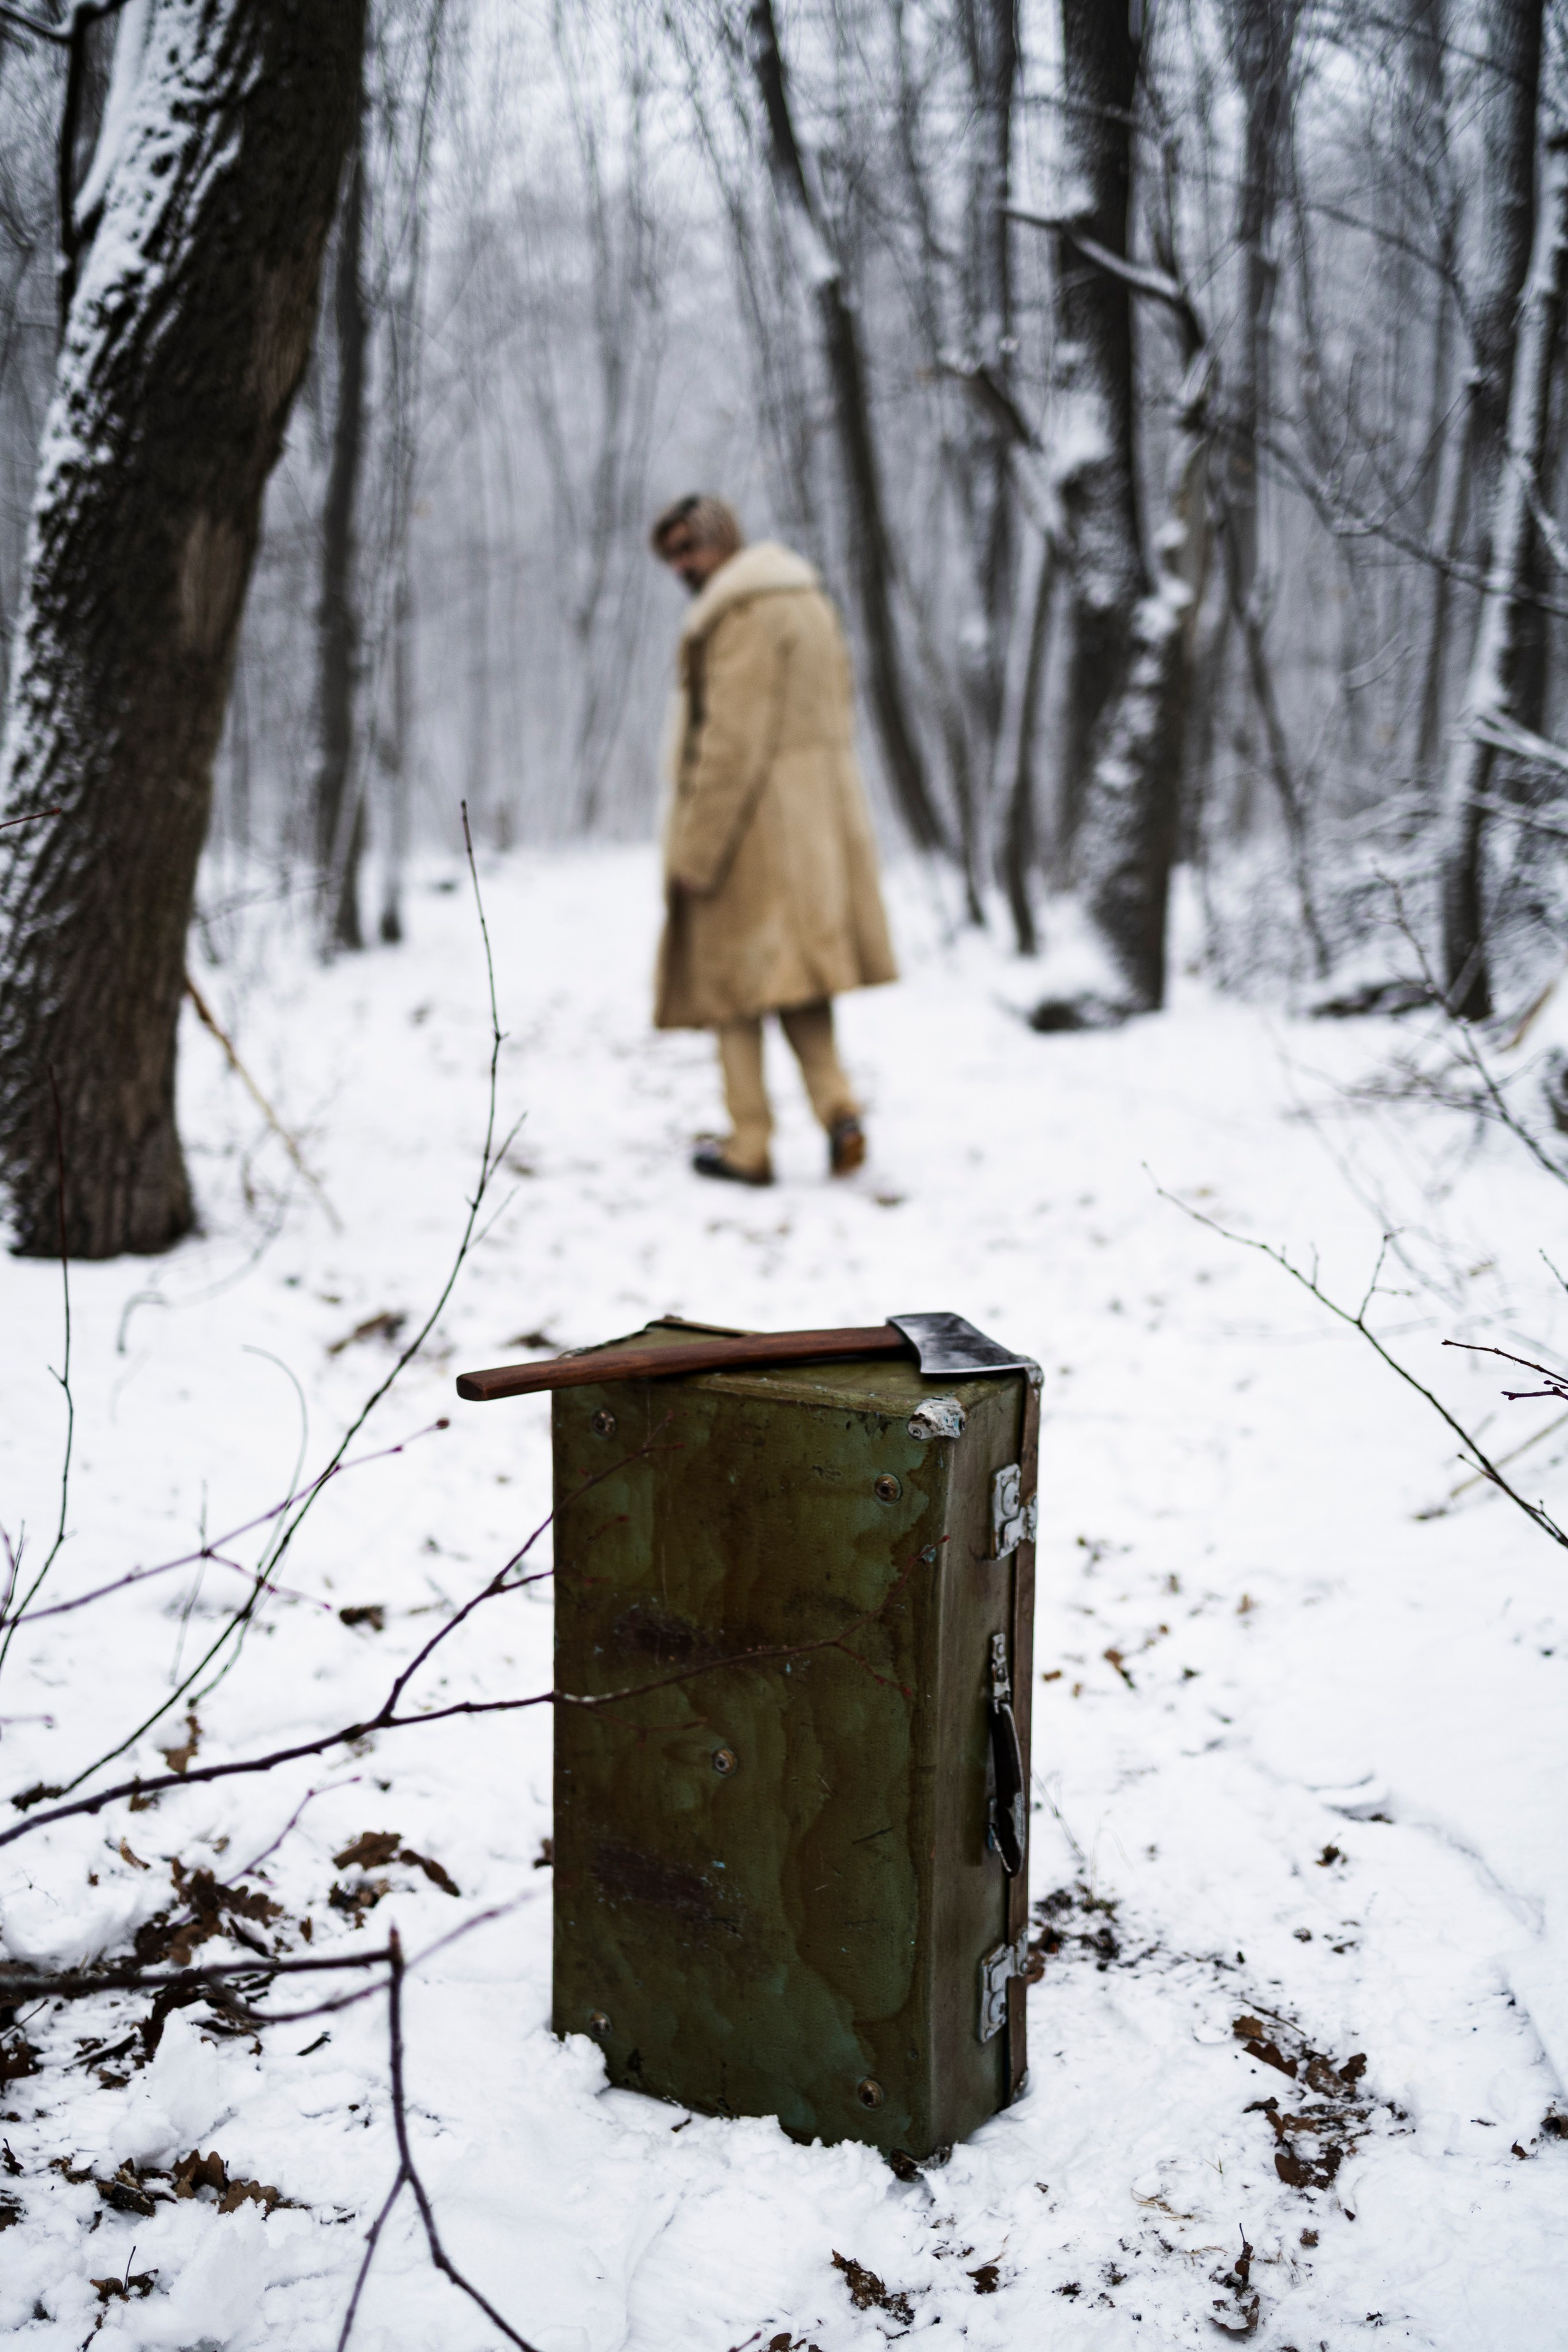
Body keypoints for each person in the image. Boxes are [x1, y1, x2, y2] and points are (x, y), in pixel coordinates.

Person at [649, 494, 897, 1186]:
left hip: (750, 832)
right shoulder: (806, 600)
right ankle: (838, 1110)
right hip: (810, 828)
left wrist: (695, 853)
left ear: (719, 541)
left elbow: (729, 746)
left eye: (687, 549)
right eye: (671, 554)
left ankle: (748, 1143)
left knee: (730, 989)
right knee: (798, 982)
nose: (680, 567)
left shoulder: (742, 614)